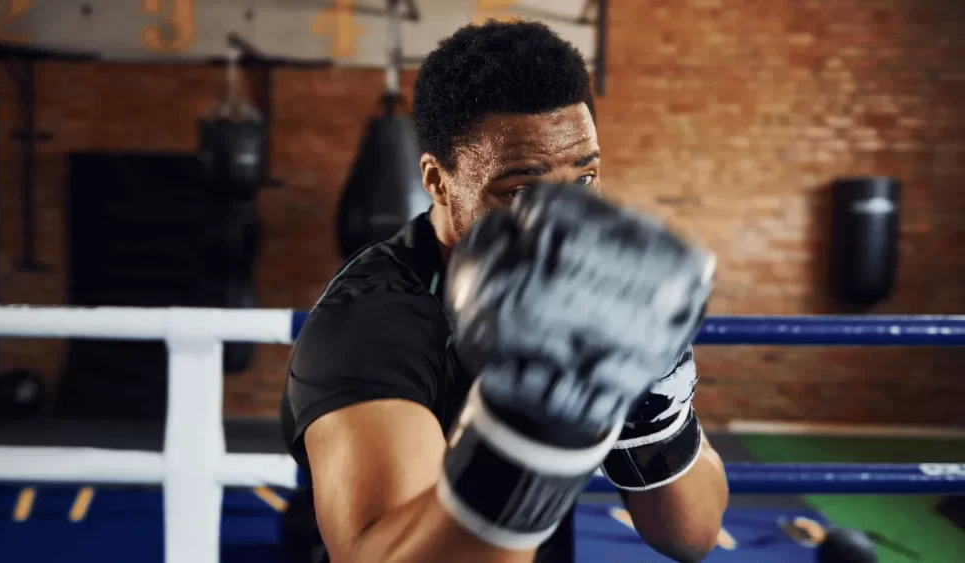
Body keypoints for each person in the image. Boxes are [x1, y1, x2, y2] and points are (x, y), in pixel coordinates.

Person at [281, 20, 729, 563]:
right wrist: (533, 433)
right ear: (437, 179)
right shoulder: (372, 326)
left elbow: (690, 535)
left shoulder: (582, 295)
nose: (568, 219)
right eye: (521, 190)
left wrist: (656, 391)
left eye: (585, 178)